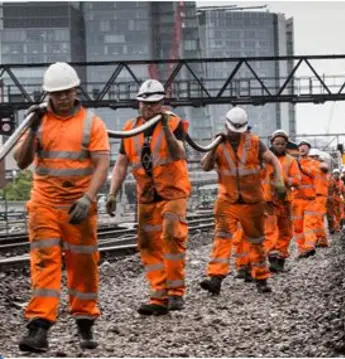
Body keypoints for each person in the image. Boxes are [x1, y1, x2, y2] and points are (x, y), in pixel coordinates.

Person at [13, 62, 110, 352]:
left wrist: (88, 198)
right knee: (45, 261)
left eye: (66, 92)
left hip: (78, 206)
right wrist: (31, 129)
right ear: (48, 95)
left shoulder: (92, 123)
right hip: (44, 202)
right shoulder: (39, 122)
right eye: (56, 94)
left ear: (75, 90)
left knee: (83, 264)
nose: (62, 98)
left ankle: (84, 321)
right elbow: (20, 161)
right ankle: (39, 327)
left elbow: (103, 163)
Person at [107, 79, 191, 315]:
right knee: (147, 244)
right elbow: (121, 163)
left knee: (171, 235)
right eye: (144, 104)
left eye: (153, 104)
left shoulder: (174, 123)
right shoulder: (130, 128)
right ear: (138, 103)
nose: (148, 109)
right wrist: (113, 193)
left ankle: (176, 292)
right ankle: (159, 295)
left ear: (161, 104)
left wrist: (164, 128)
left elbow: (179, 154)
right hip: (147, 196)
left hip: (172, 192)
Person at [199, 107, 285, 295]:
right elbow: (205, 166)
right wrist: (214, 146)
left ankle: (261, 278)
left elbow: (274, 161)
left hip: (252, 201)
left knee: (256, 241)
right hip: (227, 200)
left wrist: (279, 181)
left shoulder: (255, 143)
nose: (235, 134)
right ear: (226, 126)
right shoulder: (218, 144)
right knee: (222, 237)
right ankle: (215, 278)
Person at [263, 130, 301, 272]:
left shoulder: (291, 161)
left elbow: (297, 180)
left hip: (284, 200)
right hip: (269, 201)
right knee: (270, 230)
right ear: (272, 143)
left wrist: (284, 180)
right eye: (277, 143)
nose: (279, 146)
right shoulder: (264, 159)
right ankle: (272, 259)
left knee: (286, 232)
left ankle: (281, 259)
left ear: (286, 145)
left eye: (282, 144)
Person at [292, 141, 320, 258]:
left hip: (310, 200)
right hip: (296, 199)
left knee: (309, 224)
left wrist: (301, 167)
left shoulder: (314, 163)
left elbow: (314, 174)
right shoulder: (293, 163)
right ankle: (302, 249)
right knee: (297, 227)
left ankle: (309, 246)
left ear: (309, 150)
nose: (302, 149)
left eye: (305, 147)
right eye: (301, 147)